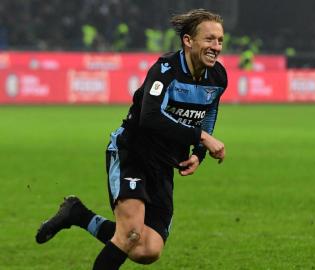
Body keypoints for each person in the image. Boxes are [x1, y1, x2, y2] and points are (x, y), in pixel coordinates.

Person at [35, 8, 227, 270]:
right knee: (129, 234)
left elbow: (209, 111)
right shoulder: (165, 70)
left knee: (147, 251)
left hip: (163, 164)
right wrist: (202, 137)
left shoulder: (218, 77)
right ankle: (80, 216)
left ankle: (78, 214)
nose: (216, 46)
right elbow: (150, 117)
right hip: (133, 153)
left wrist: (198, 152)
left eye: (219, 40)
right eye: (209, 39)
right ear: (188, 40)